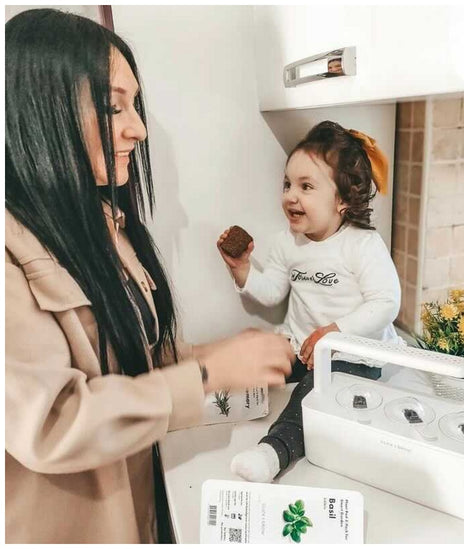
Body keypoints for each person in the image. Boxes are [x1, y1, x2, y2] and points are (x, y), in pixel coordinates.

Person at [5, 9, 293, 543]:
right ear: (40, 108)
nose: (138, 129)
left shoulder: (101, 222)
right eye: (115, 107)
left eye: (134, 105)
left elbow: (121, 365)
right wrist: (207, 376)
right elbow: (51, 423)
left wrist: (210, 357)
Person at [220, 121, 401, 483]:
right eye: (287, 184)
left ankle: (273, 452)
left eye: (306, 187)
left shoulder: (361, 245)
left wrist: (334, 333)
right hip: (302, 347)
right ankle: (221, 405)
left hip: (353, 357)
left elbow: (386, 303)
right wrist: (242, 270)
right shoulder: (289, 242)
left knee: (312, 394)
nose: (291, 196)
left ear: (343, 199)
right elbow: (272, 291)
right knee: (258, 353)